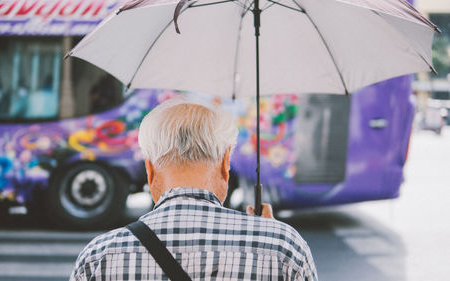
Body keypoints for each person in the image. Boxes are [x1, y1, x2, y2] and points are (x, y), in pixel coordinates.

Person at [70, 97, 318, 281]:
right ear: (225, 163)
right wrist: (270, 233)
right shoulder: (284, 248)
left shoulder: (99, 258)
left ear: (150, 168)